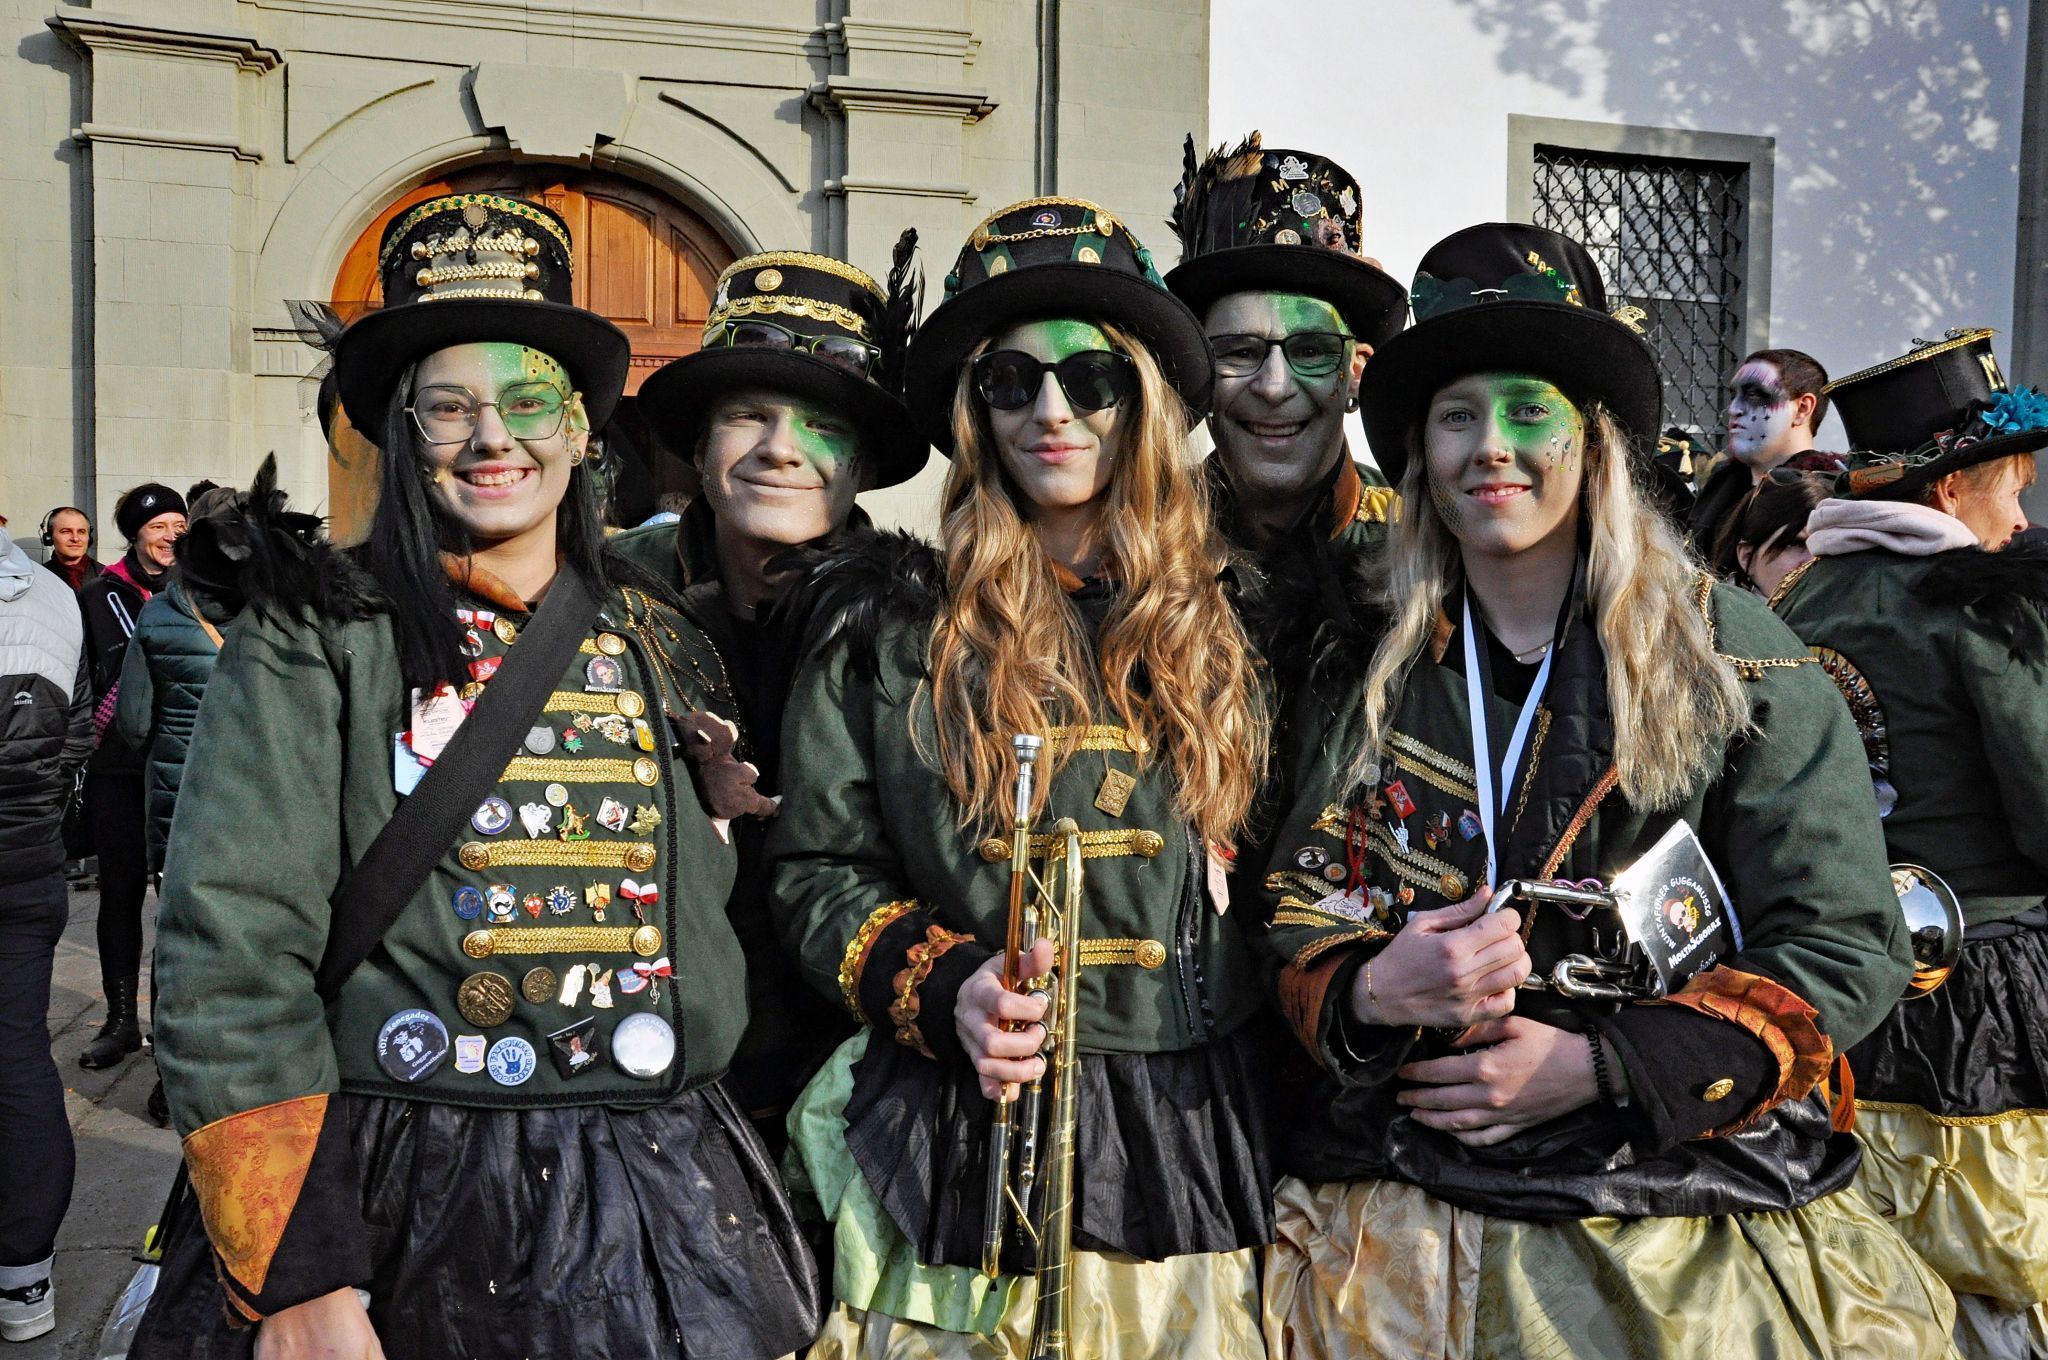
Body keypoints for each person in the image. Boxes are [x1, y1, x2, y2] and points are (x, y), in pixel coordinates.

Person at [132, 193, 819, 1360]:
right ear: (403, 435)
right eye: (448, 407)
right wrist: (301, 1272)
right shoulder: (317, 635)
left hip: (660, 1182)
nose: (492, 437)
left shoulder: (661, 636)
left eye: (528, 400)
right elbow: (228, 950)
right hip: (405, 1185)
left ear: (582, 431)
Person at [1256, 222, 1952, 1358]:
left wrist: (1596, 1066)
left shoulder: (1737, 660)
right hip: (1393, 1232)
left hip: (1673, 1234)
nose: (1492, 448)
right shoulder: (1369, 662)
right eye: (1455, 415)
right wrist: (1377, 985)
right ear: (1421, 453)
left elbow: (1841, 944)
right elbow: (1293, 901)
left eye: (1528, 412)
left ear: (1591, 444)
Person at [768, 196, 1275, 1358]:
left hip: (1189, 1129)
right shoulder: (886, 629)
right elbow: (815, 872)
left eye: (1090, 378)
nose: (1052, 410)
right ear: (974, 411)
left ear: (1140, 398)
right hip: (961, 1121)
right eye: (1011, 383)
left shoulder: (1242, 621)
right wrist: (943, 986)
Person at [1772, 329, 2048, 1359]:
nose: (2017, 514)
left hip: (1839, 992)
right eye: (2006, 486)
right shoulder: (1978, 604)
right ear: (1947, 490)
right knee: (2001, 1266)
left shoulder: (1792, 602)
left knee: (1876, 1273)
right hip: (1986, 995)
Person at [616, 241, 926, 1154]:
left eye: (820, 424)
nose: (781, 450)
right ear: (701, 447)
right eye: (749, 415)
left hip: (866, 1098)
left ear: (862, 461)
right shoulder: (597, 603)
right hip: (643, 1094)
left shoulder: (933, 624)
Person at [1165, 132, 1408, 557]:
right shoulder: (1135, 546)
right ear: (1200, 373)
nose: (1274, 388)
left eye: (1311, 351)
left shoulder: (1429, 551)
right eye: (1240, 352)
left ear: (1356, 373)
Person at [0, 525, 91, 1343]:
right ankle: (24, 1279)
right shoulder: (57, 596)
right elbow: (77, 738)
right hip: (29, 862)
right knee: (20, 1059)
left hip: (24, 860)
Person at [73, 482, 186, 1071]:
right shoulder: (97, 595)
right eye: (158, 525)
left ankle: (172, 1041)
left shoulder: (200, 593)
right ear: (135, 532)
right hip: (116, 767)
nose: (170, 535)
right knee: (118, 894)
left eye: (177, 524)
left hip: (181, 768)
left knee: (176, 904)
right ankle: (120, 1023)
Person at [1688, 348, 1830, 557]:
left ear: (1802, 409)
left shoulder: (1824, 497)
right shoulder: (1722, 483)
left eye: (1753, 394)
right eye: (1734, 396)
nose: (1734, 409)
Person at [1710, 453, 1841, 601]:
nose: (1813, 560)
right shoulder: (1710, 621)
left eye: (1827, 547)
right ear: (1746, 557)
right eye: (1794, 543)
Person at [37, 507, 100, 591]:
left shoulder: (108, 577)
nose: (75, 539)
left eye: (81, 532)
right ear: (49, 537)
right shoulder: (37, 578)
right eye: (66, 531)